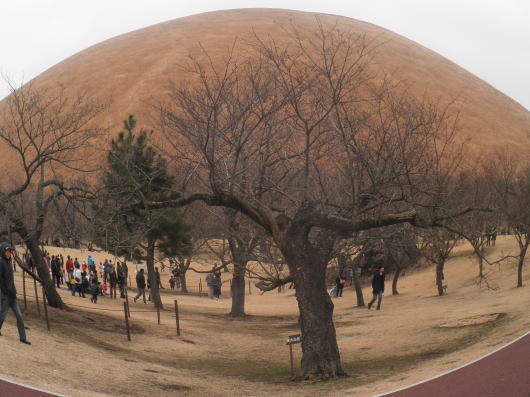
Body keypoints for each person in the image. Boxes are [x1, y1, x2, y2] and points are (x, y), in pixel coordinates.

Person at [0, 242, 31, 344]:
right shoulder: (1, 262)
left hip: (13, 295)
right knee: (2, 315)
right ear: (3, 251)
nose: (9, 253)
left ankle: (23, 338)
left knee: (19, 316)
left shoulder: (9, 262)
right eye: (7, 251)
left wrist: (13, 290)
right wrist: (4, 292)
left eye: (10, 251)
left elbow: (10, 279)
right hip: (5, 295)